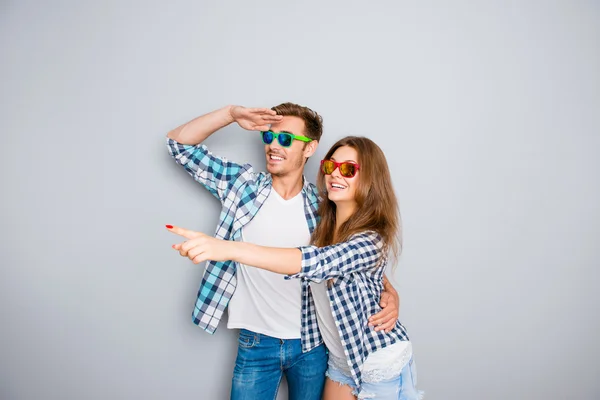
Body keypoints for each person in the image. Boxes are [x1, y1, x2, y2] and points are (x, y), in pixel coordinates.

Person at [165, 105, 401, 400]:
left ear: (310, 148)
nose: (274, 145)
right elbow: (178, 145)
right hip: (256, 341)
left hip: (312, 344)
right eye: (269, 136)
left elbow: (345, 259)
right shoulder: (242, 185)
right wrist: (230, 115)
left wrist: (389, 292)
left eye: (286, 139)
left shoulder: (325, 206)